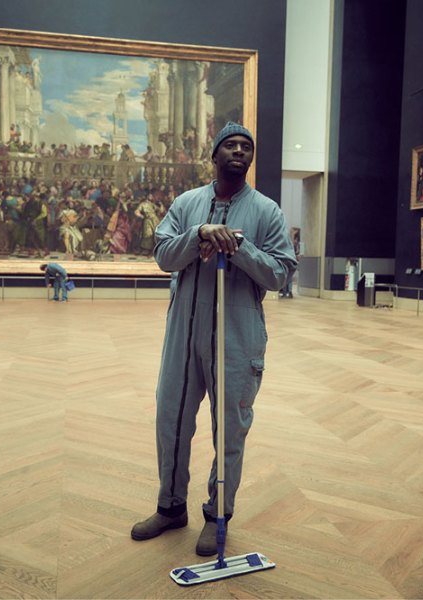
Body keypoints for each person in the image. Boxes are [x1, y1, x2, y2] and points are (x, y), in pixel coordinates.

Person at [130, 122, 296, 556]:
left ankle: (218, 513)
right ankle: (170, 507)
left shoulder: (267, 211)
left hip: (238, 336)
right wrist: (199, 234)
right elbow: (164, 255)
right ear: (214, 155)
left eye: (246, 147)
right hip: (183, 334)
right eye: (230, 146)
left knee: (230, 430)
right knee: (171, 422)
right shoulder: (187, 204)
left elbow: (280, 274)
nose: (239, 152)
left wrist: (239, 248)